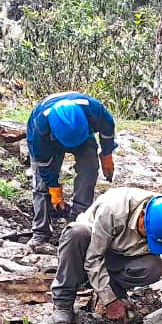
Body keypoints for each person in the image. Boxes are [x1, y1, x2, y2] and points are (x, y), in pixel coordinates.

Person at [51, 187, 162, 324]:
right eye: (149, 235)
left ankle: (115, 290)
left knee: (153, 267)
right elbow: (94, 259)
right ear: (143, 216)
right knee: (76, 233)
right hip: (89, 247)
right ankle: (63, 302)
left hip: (122, 257)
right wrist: (110, 301)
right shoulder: (113, 210)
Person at [26, 92, 117, 249]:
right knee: (41, 185)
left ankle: (78, 221)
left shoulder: (94, 110)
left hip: (83, 136)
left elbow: (107, 128)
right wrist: (53, 187)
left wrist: (107, 153)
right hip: (49, 140)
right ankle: (40, 232)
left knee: (90, 166)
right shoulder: (39, 129)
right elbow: (43, 163)